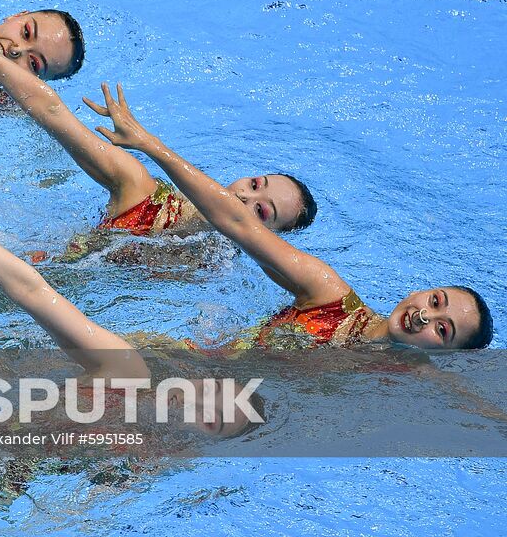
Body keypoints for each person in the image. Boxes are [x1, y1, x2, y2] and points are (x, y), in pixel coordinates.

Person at [0, 0, 316, 259]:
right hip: (29, 271)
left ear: (269, 240)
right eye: (256, 185)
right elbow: (51, 113)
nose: (245, 198)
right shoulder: (141, 192)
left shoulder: (211, 270)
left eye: (263, 212)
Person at [0, 151, 261, 440]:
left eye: (212, 419)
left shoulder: (146, 463)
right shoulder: (124, 374)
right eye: (209, 394)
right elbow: (34, 291)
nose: (193, 405)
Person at [85, 82, 493, 349]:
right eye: (436, 301)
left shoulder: (405, 386)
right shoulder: (329, 295)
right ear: (423, 289)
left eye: (443, 329)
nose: (425, 314)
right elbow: (238, 224)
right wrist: (152, 145)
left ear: (446, 355)